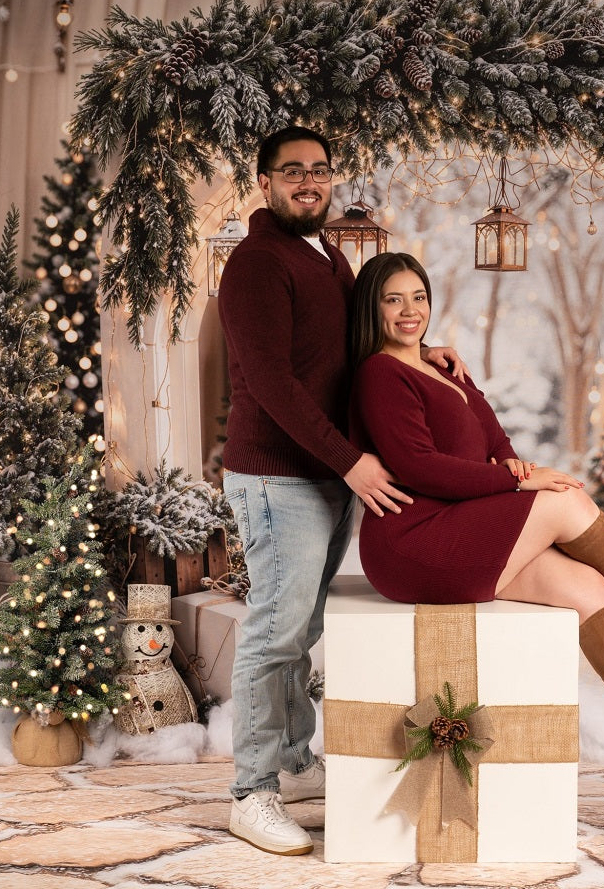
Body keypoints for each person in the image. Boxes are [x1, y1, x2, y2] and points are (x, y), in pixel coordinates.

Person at [349, 252, 604, 793]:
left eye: (418, 297)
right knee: (564, 500)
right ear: (372, 307)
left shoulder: (440, 364)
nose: (409, 311)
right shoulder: (379, 373)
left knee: (588, 587)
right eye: (393, 300)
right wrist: (516, 482)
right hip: (412, 540)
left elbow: (494, 438)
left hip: (459, 526)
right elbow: (419, 466)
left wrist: (512, 466)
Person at [217, 128, 465, 856]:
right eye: (292, 170)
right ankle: (251, 792)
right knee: (274, 631)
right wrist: (352, 460)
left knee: (299, 630)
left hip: (326, 474)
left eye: (319, 170)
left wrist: (424, 349)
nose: (309, 181)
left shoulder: (327, 255)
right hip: (277, 476)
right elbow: (271, 383)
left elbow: (357, 340)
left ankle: (295, 765)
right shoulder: (257, 263)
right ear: (264, 182)